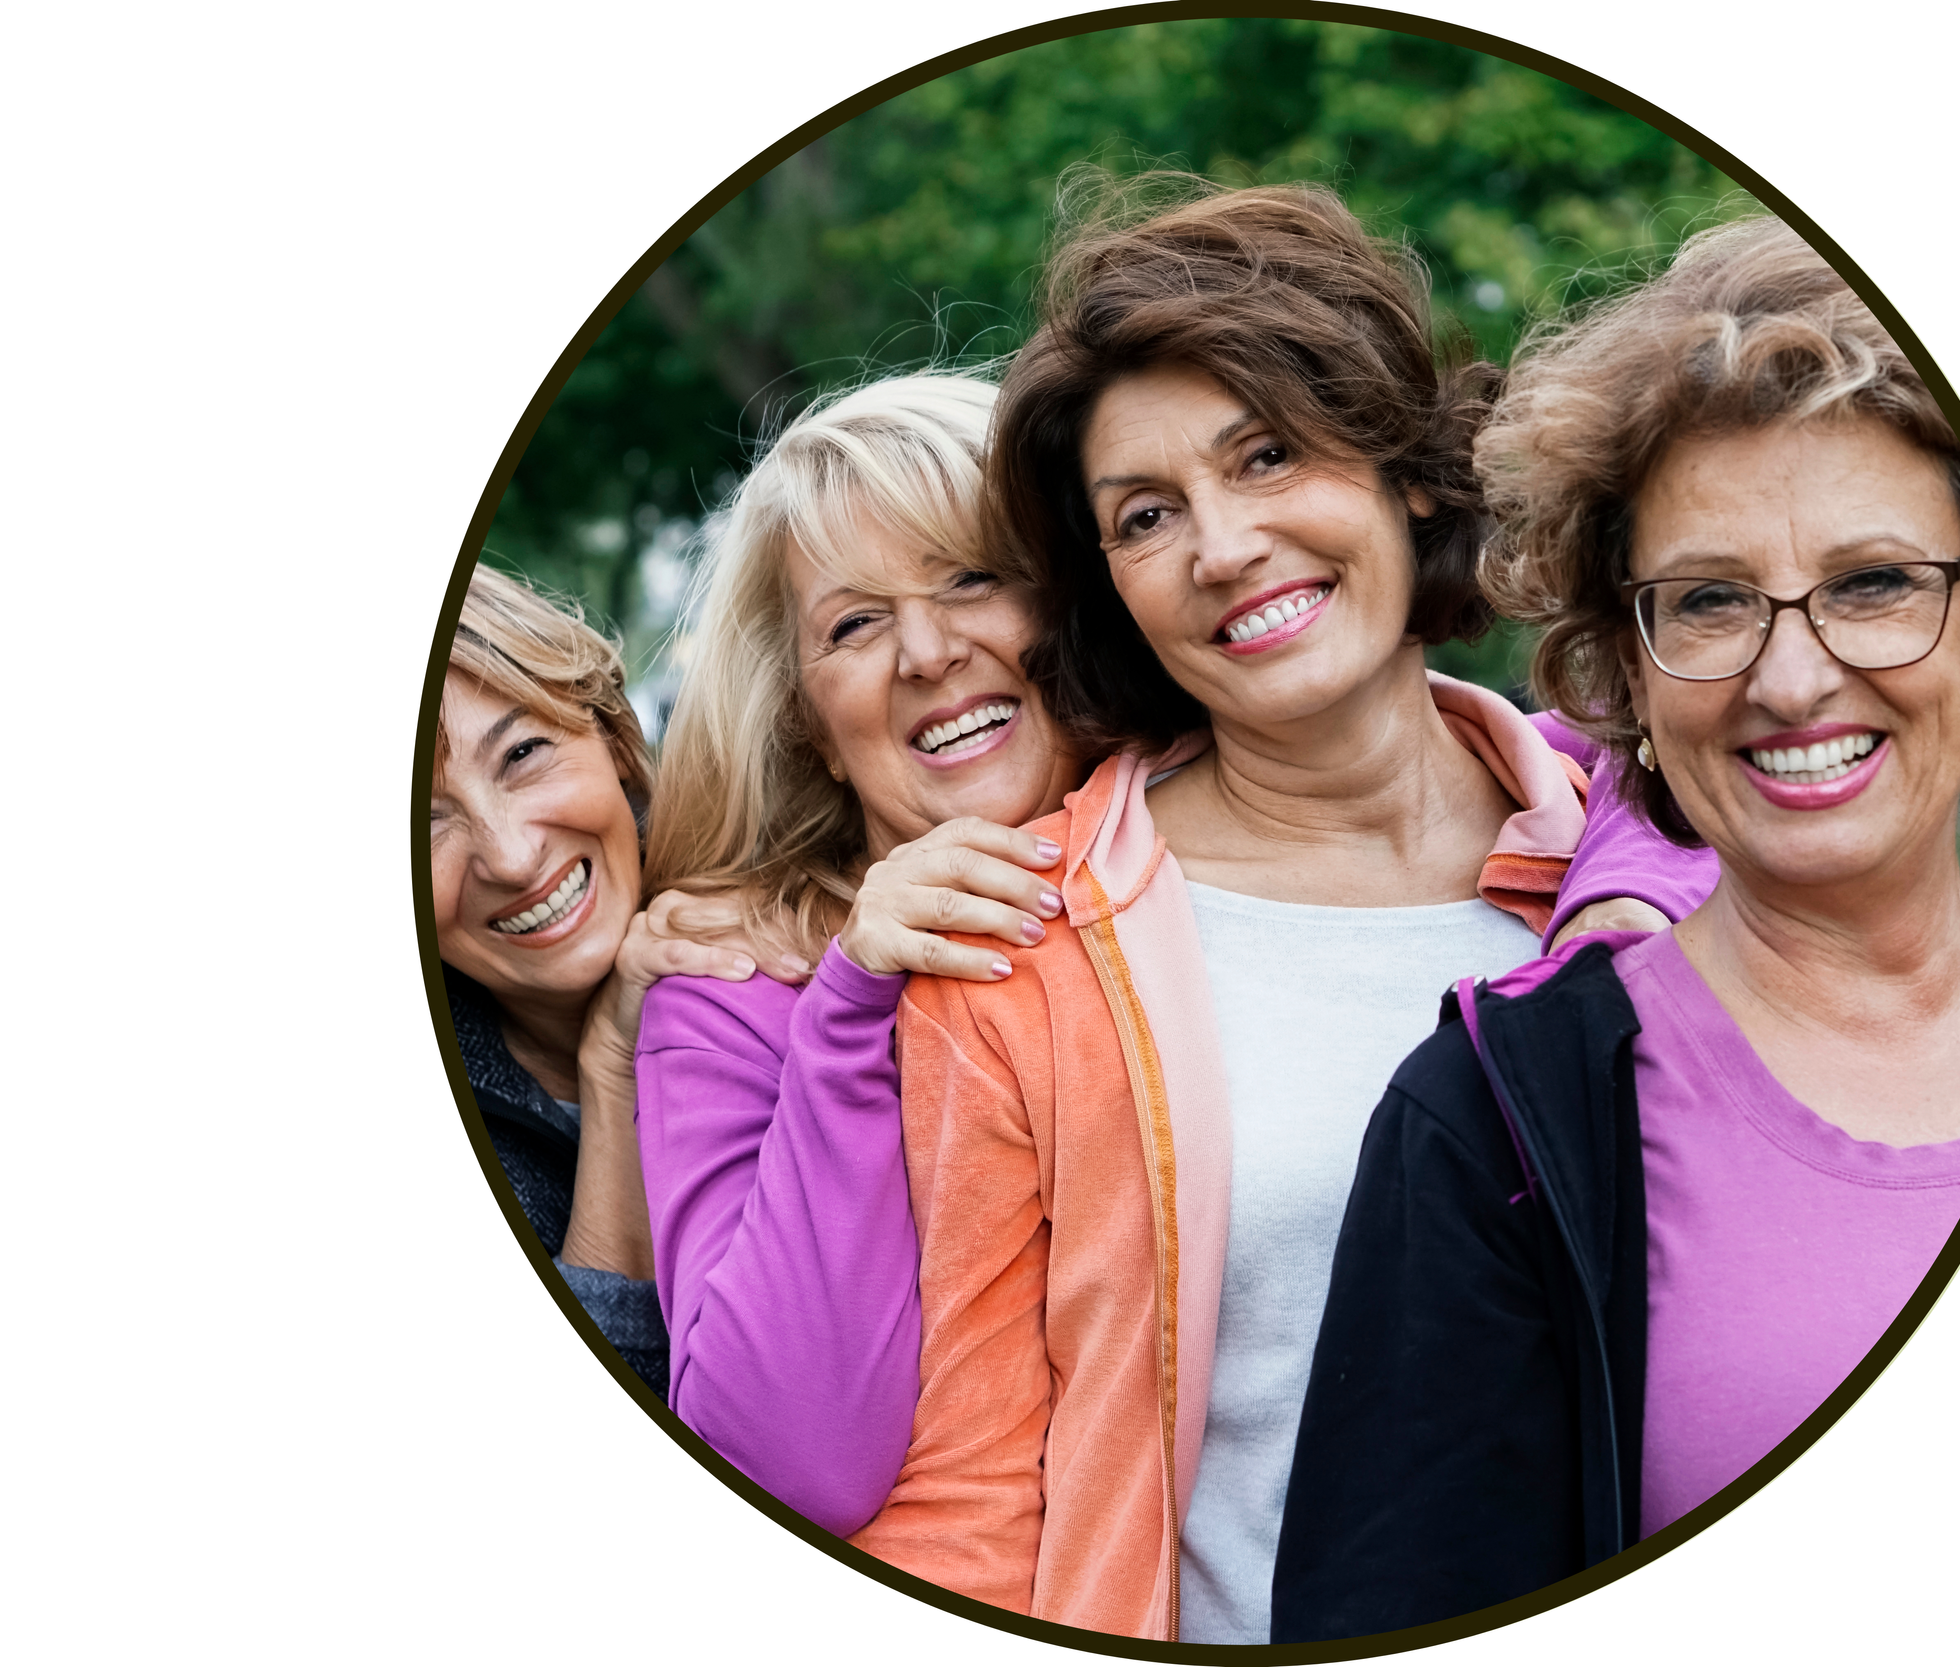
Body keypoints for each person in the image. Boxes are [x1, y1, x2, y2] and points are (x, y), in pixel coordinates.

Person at [842, 180, 1719, 1642]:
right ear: (1109, 589)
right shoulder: (1020, 951)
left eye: (1267, 454)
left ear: (1407, 471)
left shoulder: (1642, 847)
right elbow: (975, 1487)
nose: (1223, 544)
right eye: (1144, 514)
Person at [1269, 215, 1960, 1641]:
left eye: (1873, 581)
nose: (1791, 672)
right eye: (1706, 601)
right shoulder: (1496, 1124)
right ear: (1625, 669)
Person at [630, 374, 1084, 1536]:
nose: (929, 650)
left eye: (972, 575)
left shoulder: (1227, 846)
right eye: (854, 622)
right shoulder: (731, 993)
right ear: (809, 730)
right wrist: (847, 1012)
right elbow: (791, 1467)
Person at [428, 567, 757, 1397]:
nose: (510, 854)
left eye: (522, 754)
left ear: (613, 739)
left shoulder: (778, 906)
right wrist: (612, 1071)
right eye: (424, 823)